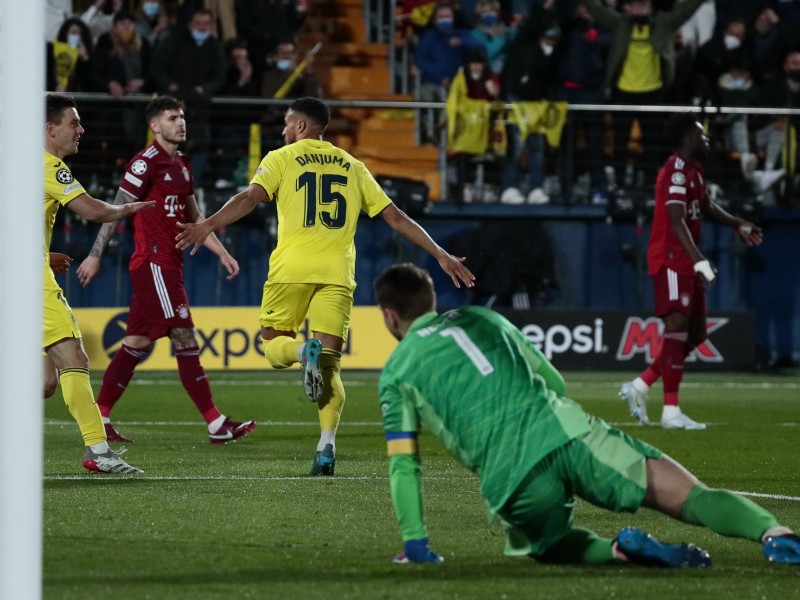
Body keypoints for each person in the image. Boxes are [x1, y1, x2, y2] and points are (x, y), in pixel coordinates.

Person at [372, 262, 800, 566]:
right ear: (431, 299)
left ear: (390, 317)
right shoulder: (483, 317)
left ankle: (619, 551)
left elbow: (404, 465)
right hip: (569, 434)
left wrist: (415, 543)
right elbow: (555, 382)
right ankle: (776, 535)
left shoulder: (396, 373)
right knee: (693, 498)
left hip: (511, 480)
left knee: (551, 546)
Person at [175, 97, 475, 476]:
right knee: (331, 367)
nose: (283, 130)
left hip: (292, 269)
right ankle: (326, 445)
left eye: (287, 123)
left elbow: (250, 197)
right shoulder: (353, 166)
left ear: (300, 127)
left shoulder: (280, 158)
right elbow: (395, 217)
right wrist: (440, 254)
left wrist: (207, 224)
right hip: (337, 274)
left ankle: (303, 351)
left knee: (272, 346)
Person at [75, 96, 256, 446]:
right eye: (173, 117)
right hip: (153, 263)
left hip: (169, 265)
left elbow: (195, 219)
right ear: (154, 126)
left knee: (135, 343)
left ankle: (100, 415)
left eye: (183, 116)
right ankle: (215, 422)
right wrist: (96, 254)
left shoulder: (184, 165)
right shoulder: (146, 163)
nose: (181, 122)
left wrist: (222, 253)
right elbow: (115, 209)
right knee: (185, 337)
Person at [619, 113, 763, 430]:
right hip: (671, 256)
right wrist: (698, 259)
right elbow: (675, 219)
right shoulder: (676, 171)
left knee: (696, 334)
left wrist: (738, 223)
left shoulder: (695, 171)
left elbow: (706, 207)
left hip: (686, 257)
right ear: (687, 136)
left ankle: (641, 385)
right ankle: (671, 411)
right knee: (678, 327)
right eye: (702, 133)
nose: (707, 138)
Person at [44, 93, 153, 473]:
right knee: (74, 357)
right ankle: (98, 451)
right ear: (50, 128)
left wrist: (40, 255)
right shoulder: (48, 167)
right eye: (73, 123)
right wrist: (128, 208)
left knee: (43, 380)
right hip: (28, 284)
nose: (81, 130)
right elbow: (92, 210)